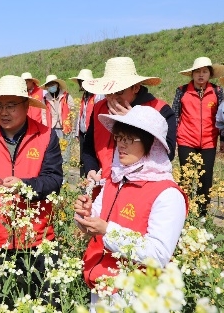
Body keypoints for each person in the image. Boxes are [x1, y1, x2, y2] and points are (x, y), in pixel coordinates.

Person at [0, 75, 64, 310]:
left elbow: (54, 181)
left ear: (26, 106)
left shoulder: (46, 136)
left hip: (37, 238)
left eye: (10, 106)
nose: (3, 112)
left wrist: (25, 186)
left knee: (44, 302)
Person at [73, 105, 188, 311]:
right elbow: (96, 225)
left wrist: (107, 230)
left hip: (137, 296)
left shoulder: (167, 194)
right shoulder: (114, 180)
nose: (120, 145)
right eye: (118, 138)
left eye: (129, 139)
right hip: (102, 285)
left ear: (151, 144)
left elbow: (159, 254)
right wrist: (86, 215)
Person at [81, 57, 176, 199]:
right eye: (108, 92)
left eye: (119, 92)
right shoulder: (99, 108)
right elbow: (89, 147)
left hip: (140, 191)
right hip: (102, 189)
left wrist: (136, 121)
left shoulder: (160, 110)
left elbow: (167, 153)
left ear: (136, 87)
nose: (112, 98)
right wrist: (91, 168)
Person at [173, 57, 224, 216]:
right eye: (197, 72)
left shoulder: (218, 91)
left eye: (204, 71)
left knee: (206, 179)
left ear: (210, 74)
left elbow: (222, 118)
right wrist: (171, 138)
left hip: (209, 141)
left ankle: (202, 215)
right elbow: (175, 116)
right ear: (192, 74)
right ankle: (183, 212)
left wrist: (222, 140)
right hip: (185, 140)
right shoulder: (181, 91)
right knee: (186, 178)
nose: (201, 75)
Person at [69, 69, 104, 177]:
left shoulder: (97, 95)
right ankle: (83, 179)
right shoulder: (85, 96)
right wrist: (77, 131)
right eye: (80, 82)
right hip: (83, 132)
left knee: (92, 156)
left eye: (83, 81)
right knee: (83, 157)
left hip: (93, 132)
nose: (81, 84)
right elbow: (81, 114)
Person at [41, 74, 75, 139]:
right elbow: (44, 115)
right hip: (52, 128)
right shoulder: (45, 99)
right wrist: (45, 129)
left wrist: (73, 128)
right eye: (49, 85)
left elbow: (73, 112)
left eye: (53, 84)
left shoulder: (66, 96)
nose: (51, 86)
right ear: (47, 87)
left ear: (57, 84)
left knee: (66, 147)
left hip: (66, 128)